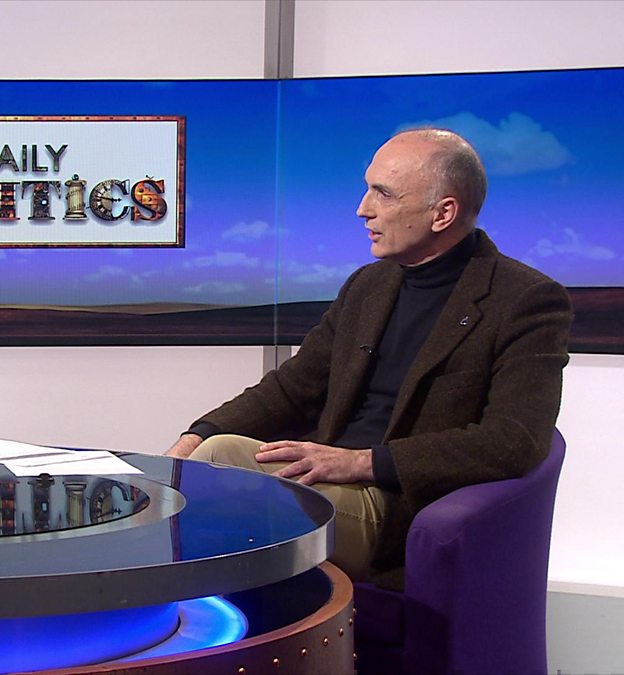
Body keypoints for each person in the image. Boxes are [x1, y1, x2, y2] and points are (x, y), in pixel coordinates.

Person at [165, 128, 572, 588]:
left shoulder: (524, 300)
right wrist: (194, 436)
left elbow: (514, 441)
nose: (363, 208)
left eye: (384, 193)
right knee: (205, 457)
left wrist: (363, 463)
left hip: (397, 507)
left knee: (220, 463)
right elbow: (293, 388)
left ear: (443, 213)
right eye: (367, 189)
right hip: (327, 481)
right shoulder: (368, 286)